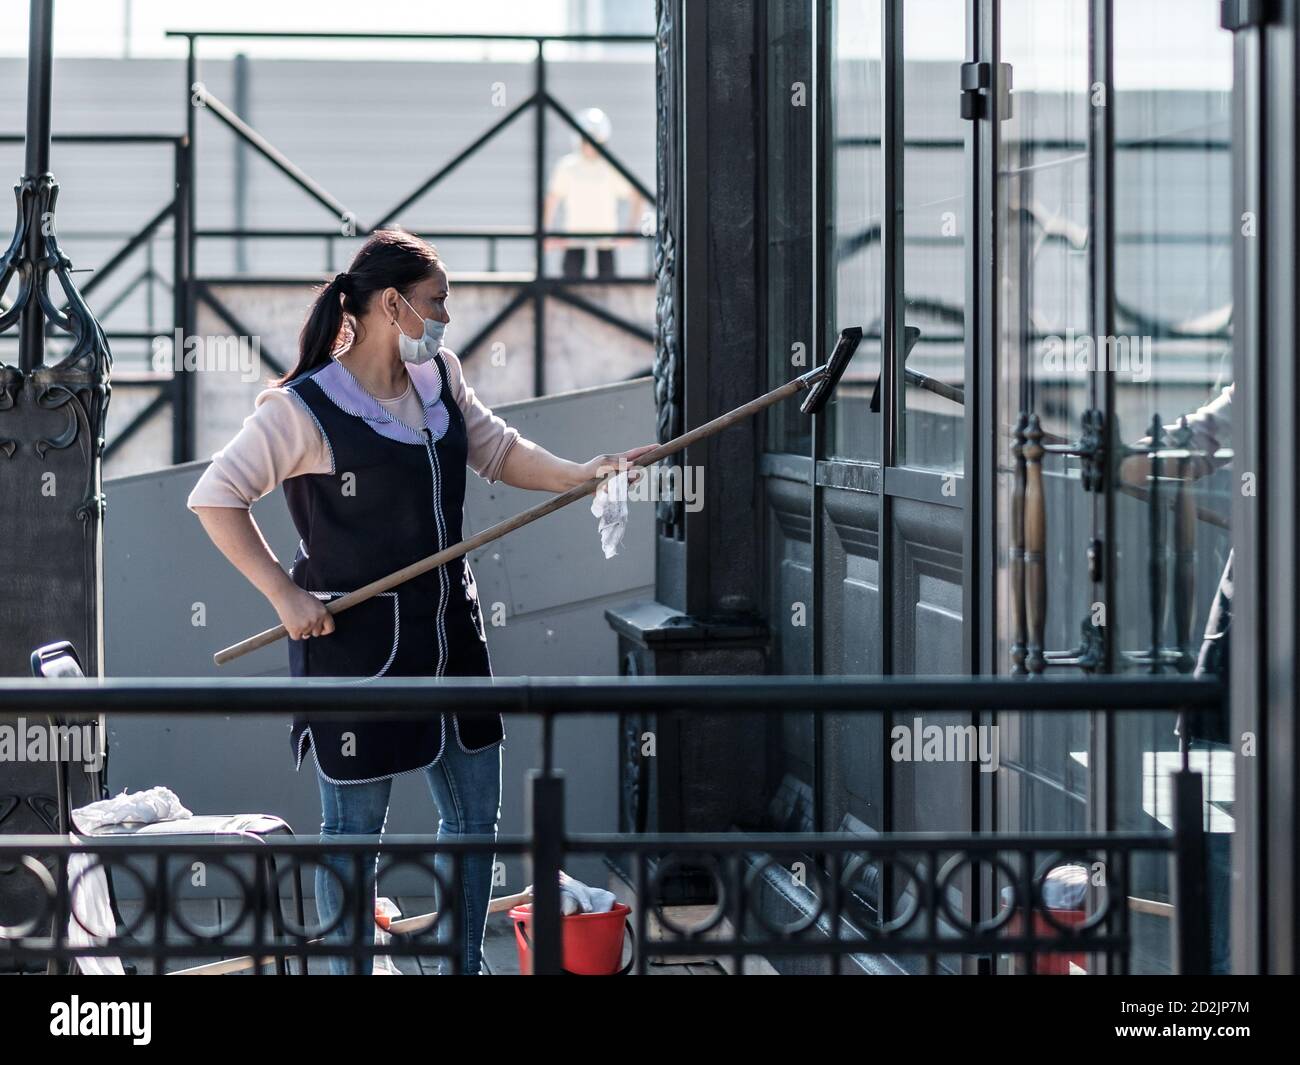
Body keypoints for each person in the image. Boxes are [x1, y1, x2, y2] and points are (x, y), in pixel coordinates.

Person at [187, 228, 653, 974]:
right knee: (354, 833)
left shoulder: (438, 377)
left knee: (474, 818)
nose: (444, 319)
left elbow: (496, 449)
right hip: (355, 650)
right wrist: (282, 593)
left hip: (452, 639)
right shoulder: (303, 407)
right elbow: (216, 498)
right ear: (392, 304)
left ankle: (459, 968)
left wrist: (581, 474)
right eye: (436, 303)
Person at [1121, 381, 1233, 974]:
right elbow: (1172, 456)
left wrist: (1126, 458)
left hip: (1249, 656)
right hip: (1243, 661)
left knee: (1219, 842)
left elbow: (1159, 463)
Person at [543, 107, 647, 280]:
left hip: (605, 245)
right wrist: (547, 233)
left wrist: (631, 231)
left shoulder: (610, 167)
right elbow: (552, 199)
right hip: (574, 243)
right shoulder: (568, 166)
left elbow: (637, 195)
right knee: (570, 292)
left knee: (607, 292)